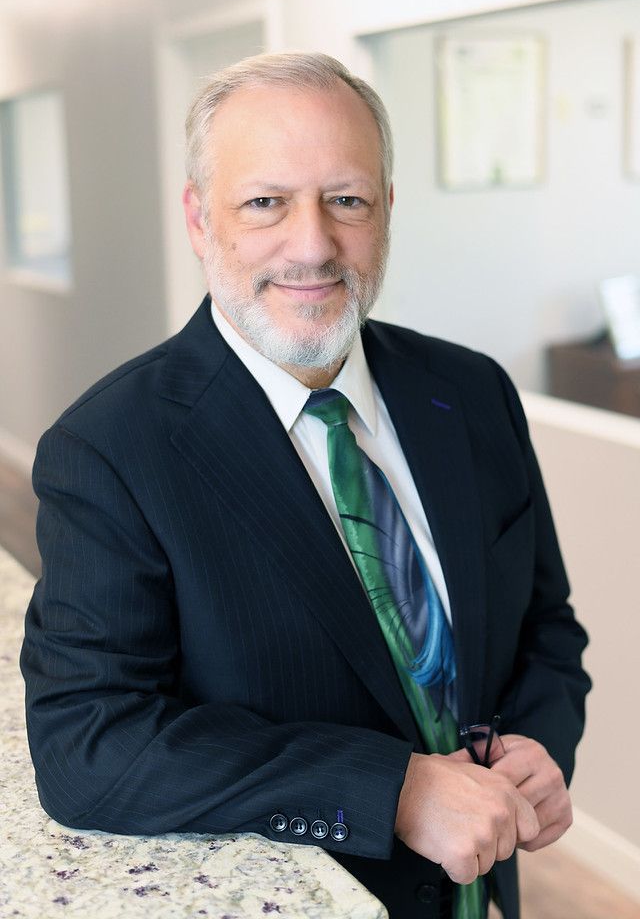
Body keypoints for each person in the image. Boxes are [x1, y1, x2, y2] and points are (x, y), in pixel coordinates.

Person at [20, 52, 590, 919]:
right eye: (265, 202)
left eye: (347, 200)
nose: (314, 245)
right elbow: (90, 747)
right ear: (199, 219)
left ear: (387, 211)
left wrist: (538, 746)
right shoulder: (111, 450)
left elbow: (547, 627)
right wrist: (388, 790)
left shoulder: (472, 393)